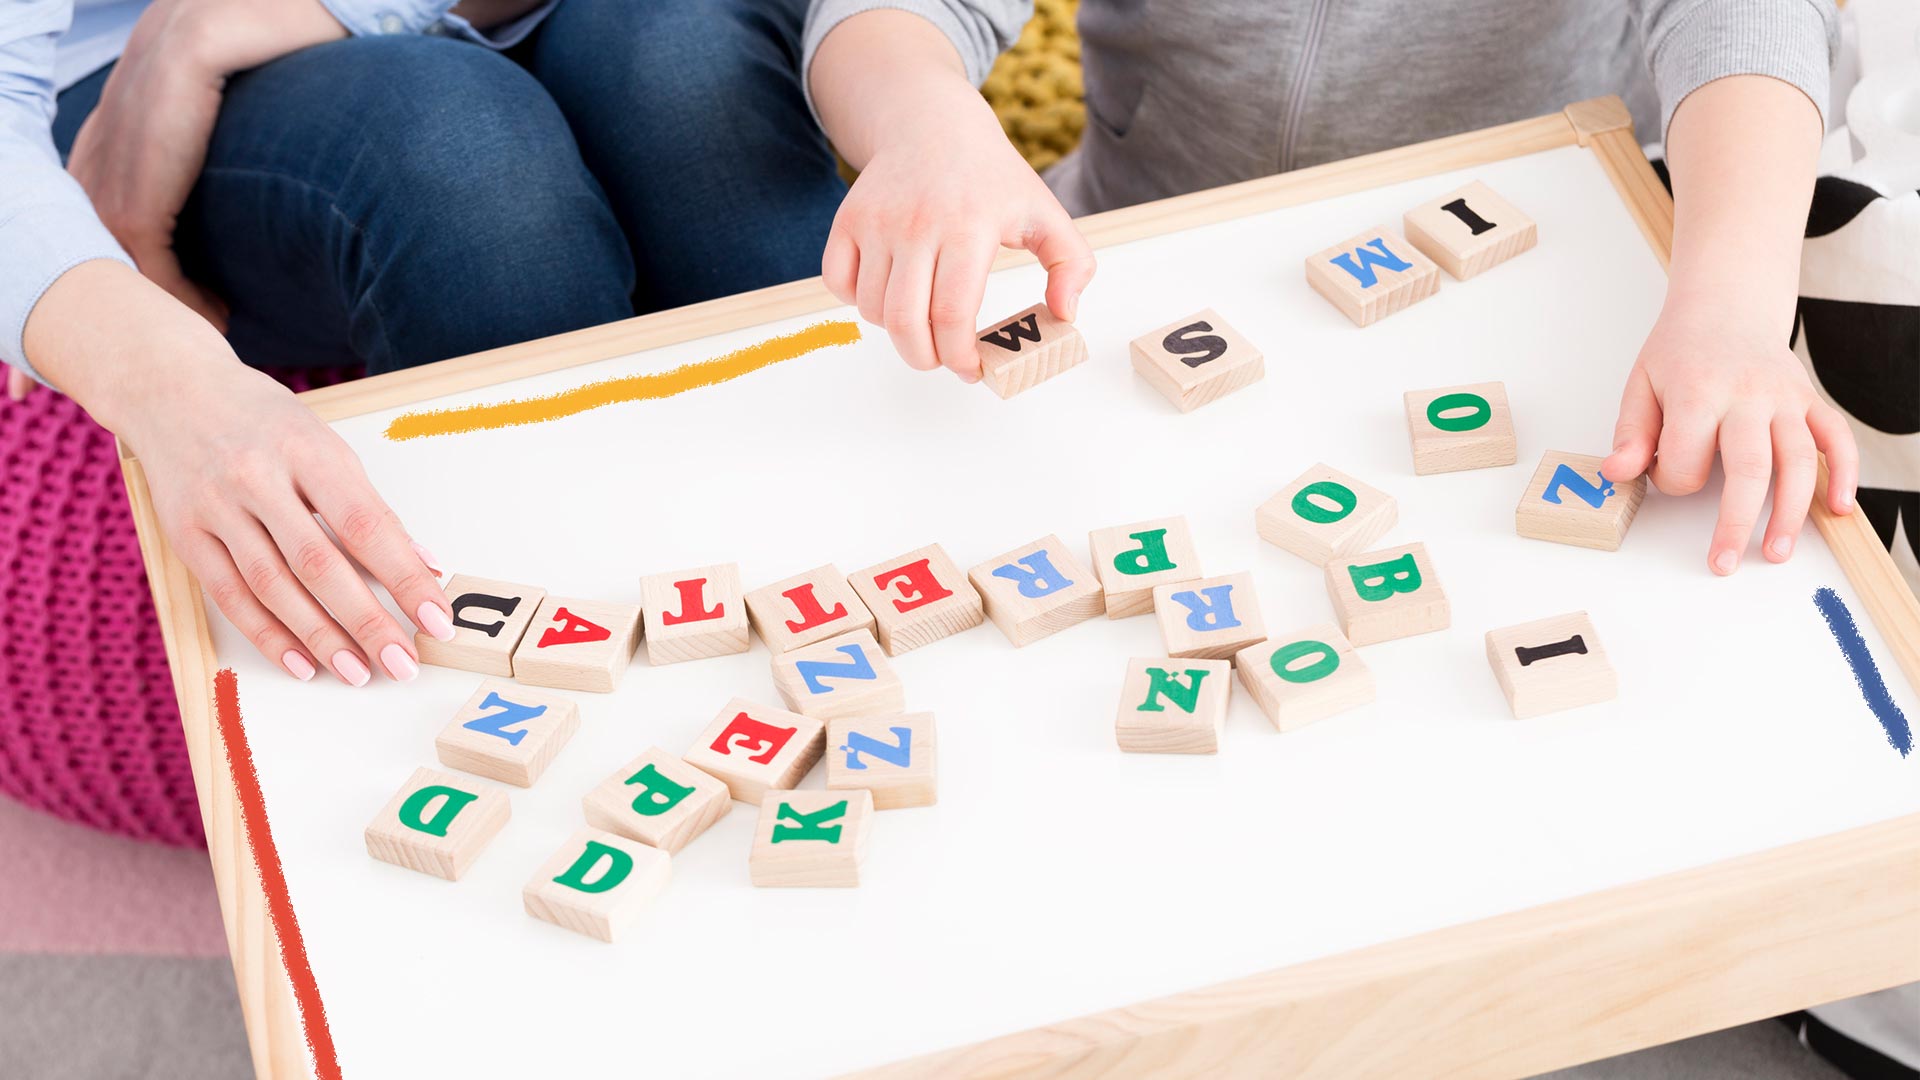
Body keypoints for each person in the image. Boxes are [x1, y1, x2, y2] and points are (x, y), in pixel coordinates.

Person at [800, 0, 1862, 576]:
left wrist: (1730, 304)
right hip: (1147, 250)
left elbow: (1752, 16)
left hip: (1510, 270)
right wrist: (925, 123)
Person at [1, 0, 846, 686]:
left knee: (682, 61)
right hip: (97, 69)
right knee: (462, 160)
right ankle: (544, 694)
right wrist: (160, 377)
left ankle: (851, 600)